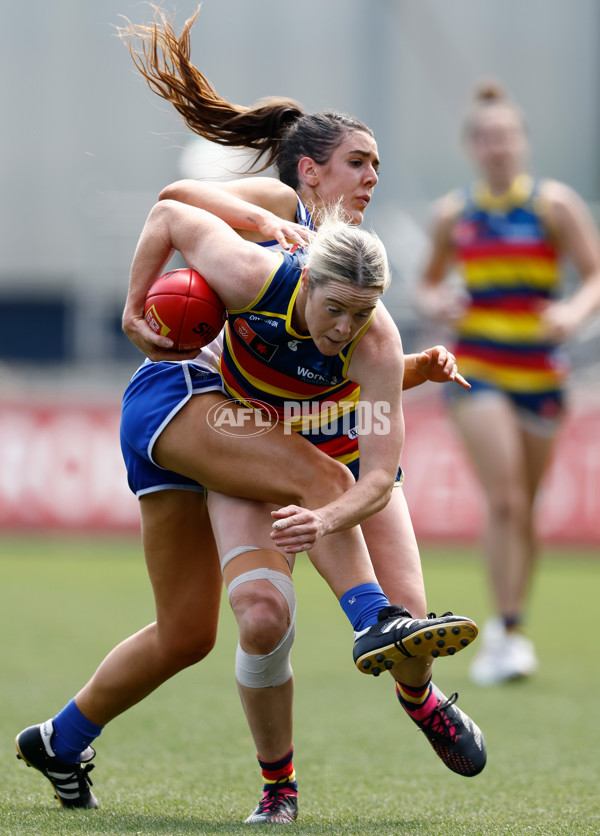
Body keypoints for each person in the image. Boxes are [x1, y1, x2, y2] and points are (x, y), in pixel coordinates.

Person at [14, 11, 485, 827]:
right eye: (358, 163)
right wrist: (138, 311)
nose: (373, 178)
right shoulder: (268, 236)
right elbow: (172, 208)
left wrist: (410, 371)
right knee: (292, 572)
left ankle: (61, 736)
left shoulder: (362, 295)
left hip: (279, 431)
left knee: (188, 633)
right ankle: (304, 744)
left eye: (377, 164)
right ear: (310, 172)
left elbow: (341, 383)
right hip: (202, 410)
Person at [417, 82, 600, 687]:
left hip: (542, 373)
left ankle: (510, 631)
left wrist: (574, 313)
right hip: (480, 370)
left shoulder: (555, 206)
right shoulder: (454, 214)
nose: (499, 148)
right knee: (504, 499)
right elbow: (426, 285)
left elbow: (595, 276)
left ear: (521, 143)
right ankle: (504, 628)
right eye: (488, 138)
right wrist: (440, 299)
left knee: (525, 510)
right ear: (473, 147)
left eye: (508, 137)